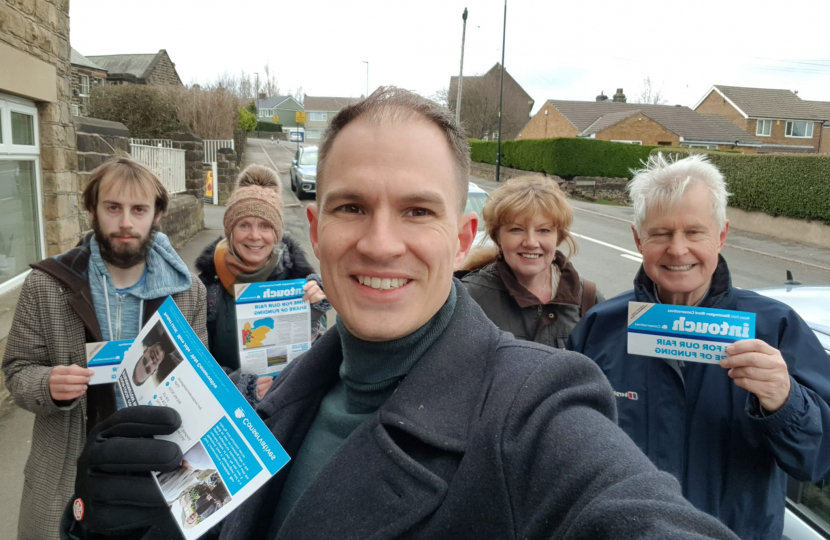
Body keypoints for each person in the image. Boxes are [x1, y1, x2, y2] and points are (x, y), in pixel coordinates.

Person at [63, 89, 740, 540]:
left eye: (417, 210)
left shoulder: (535, 408)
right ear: (316, 227)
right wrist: (96, 522)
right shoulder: (272, 406)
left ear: (460, 235)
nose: (380, 242)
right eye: (352, 207)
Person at [568, 153, 830, 539]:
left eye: (694, 232)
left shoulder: (776, 327)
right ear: (639, 239)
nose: (677, 249)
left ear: (721, 235)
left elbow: (818, 463)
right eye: (661, 234)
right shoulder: (600, 327)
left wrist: (785, 401)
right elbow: (571, 450)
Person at [2, 156, 207, 540]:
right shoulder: (47, 285)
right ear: (92, 209)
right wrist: (46, 384)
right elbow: (17, 369)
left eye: (138, 209)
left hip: (152, 467)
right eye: (113, 208)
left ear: (157, 214)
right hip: (67, 465)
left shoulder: (188, 293)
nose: (126, 222)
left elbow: (197, 382)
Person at [195, 164, 329, 399]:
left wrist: (315, 324)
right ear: (230, 231)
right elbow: (194, 365)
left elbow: (317, 367)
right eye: (244, 225)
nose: (255, 236)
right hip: (226, 412)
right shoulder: (205, 288)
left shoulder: (299, 284)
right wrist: (240, 385)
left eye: (265, 226)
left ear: (276, 232)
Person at [459, 176, 603, 348]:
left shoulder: (587, 298)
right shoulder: (468, 297)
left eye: (543, 230)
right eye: (516, 229)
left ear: (558, 237)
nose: (531, 242)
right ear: (497, 236)